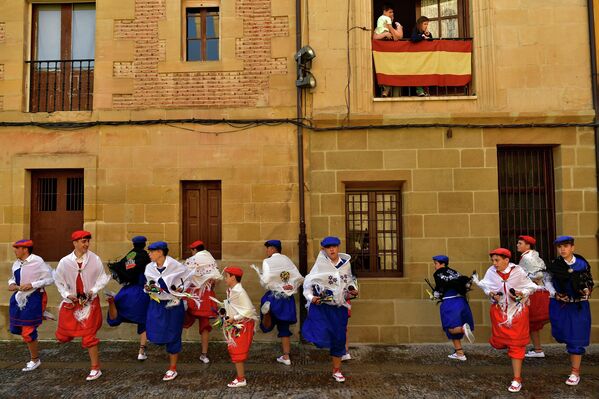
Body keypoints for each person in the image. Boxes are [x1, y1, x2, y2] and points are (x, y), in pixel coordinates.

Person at [472, 248, 537, 393]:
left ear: (506, 260)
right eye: (493, 260)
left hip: (517, 313)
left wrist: (522, 294)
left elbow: (531, 287)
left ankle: (517, 379)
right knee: (500, 342)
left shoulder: (518, 271)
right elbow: (486, 286)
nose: (494, 263)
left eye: (497, 260)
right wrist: (492, 294)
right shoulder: (491, 272)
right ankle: (508, 349)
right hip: (499, 313)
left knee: (516, 346)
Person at [54, 230, 110, 381]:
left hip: (90, 303)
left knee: (89, 336)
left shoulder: (95, 259)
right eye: (83, 241)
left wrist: (93, 291)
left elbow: (102, 278)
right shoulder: (65, 262)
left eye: (87, 241)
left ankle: (95, 368)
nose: (86, 244)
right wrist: (67, 295)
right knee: (63, 336)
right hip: (72, 303)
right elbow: (58, 281)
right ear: (75, 243)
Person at [302, 236, 358, 383]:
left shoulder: (345, 264)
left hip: (339, 308)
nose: (332, 249)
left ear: (338, 247)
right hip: (322, 308)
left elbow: (350, 280)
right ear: (324, 249)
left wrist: (353, 289)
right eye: (328, 247)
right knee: (320, 333)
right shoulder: (319, 266)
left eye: (334, 246)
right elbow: (307, 285)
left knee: (339, 338)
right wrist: (311, 298)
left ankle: (337, 370)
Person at [545, 236, 593, 386]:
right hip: (560, 306)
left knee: (576, 339)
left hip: (578, 306)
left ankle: (575, 372)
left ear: (572, 247)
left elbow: (588, 280)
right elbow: (547, 282)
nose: (563, 249)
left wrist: (587, 290)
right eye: (560, 247)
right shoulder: (554, 265)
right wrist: (556, 294)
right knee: (560, 333)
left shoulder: (582, 263)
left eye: (566, 246)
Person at [144, 241, 194, 381]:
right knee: (155, 330)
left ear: (160, 252)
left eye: (151, 251)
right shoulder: (149, 267)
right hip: (157, 304)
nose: (149, 254)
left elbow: (187, 280)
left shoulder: (176, 265)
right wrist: (149, 288)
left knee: (173, 333)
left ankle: (172, 368)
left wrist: (180, 289)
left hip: (173, 304)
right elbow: (148, 283)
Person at [252, 239, 303, 366]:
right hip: (287, 297)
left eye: (268, 248)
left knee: (266, 323)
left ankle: (267, 314)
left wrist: (265, 280)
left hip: (274, 296)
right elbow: (298, 277)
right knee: (284, 327)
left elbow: (265, 281)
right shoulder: (287, 260)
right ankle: (286, 357)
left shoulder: (267, 261)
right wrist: (289, 287)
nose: (267, 250)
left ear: (273, 249)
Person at [8, 239, 54, 372]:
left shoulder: (37, 261)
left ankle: (35, 360)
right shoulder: (16, 264)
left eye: (17, 248)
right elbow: (12, 278)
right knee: (17, 329)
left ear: (25, 249)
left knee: (28, 331)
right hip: (18, 299)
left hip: (34, 297)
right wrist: (11, 284)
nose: (15, 250)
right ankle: (41, 315)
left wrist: (32, 285)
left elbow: (50, 279)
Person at [105, 235, 152, 360]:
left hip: (126, 292)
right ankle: (141, 351)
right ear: (144, 244)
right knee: (144, 321)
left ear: (133, 244)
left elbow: (119, 269)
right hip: (142, 293)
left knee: (116, 313)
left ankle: (111, 302)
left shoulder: (130, 256)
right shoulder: (146, 257)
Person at [213, 266, 258, 388]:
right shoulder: (232, 290)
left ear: (233, 277)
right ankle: (240, 377)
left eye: (227, 276)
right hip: (236, 324)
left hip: (242, 325)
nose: (225, 278)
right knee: (235, 349)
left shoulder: (239, 292)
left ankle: (241, 379)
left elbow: (248, 310)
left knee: (237, 350)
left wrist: (234, 318)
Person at [182, 240, 222, 364]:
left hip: (193, 295)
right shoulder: (211, 259)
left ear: (194, 250)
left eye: (192, 250)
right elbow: (215, 280)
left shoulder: (192, 260)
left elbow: (184, 277)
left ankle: (174, 350)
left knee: (180, 317)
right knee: (205, 326)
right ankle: (204, 354)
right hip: (207, 296)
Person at [429, 255, 474, 361]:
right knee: (452, 329)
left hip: (450, 302)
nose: (434, 266)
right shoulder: (455, 272)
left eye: (435, 263)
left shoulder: (438, 273)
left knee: (451, 328)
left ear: (441, 263)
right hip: (462, 301)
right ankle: (460, 353)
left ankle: (463, 329)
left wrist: (435, 294)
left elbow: (440, 287)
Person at [516, 235, 550, 358]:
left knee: (531, 321)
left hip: (534, 293)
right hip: (537, 291)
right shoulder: (532, 255)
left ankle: (528, 348)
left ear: (527, 245)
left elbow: (539, 274)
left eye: (520, 243)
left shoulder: (528, 257)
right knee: (532, 324)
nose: (517, 245)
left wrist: (525, 279)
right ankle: (537, 349)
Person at [373, 3, 403, 97]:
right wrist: (385, 34)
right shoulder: (380, 28)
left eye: (392, 13)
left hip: (395, 57)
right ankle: (385, 91)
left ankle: (396, 97)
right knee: (387, 73)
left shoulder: (393, 28)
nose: (391, 15)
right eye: (390, 13)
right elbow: (375, 37)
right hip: (386, 57)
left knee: (397, 76)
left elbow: (399, 37)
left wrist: (394, 28)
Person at [410, 16, 433, 97]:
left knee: (426, 72)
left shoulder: (426, 32)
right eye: (425, 24)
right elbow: (413, 38)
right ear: (420, 24)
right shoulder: (416, 29)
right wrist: (422, 37)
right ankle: (419, 90)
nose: (426, 26)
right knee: (418, 72)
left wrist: (428, 35)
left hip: (425, 57)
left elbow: (431, 41)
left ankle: (426, 90)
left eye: (427, 24)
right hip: (417, 57)